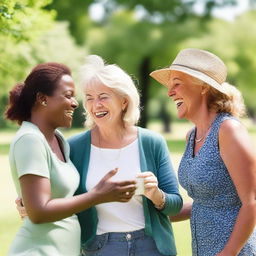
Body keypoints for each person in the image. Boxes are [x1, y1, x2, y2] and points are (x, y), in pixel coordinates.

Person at [5, 62, 137, 256]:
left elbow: (62, 199)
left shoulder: (60, 140)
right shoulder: (30, 140)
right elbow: (39, 211)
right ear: (42, 99)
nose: (76, 103)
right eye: (68, 95)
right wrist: (98, 195)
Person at [67, 55, 183, 256]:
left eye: (103, 96)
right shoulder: (75, 147)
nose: (96, 105)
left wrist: (156, 195)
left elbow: (175, 204)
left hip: (151, 246)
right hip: (101, 248)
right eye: (89, 98)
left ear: (123, 101)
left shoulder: (151, 142)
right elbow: (59, 196)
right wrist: (29, 203)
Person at [150, 48, 256, 256]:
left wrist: (229, 252)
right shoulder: (192, 135)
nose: (170, 92)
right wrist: (157, 205)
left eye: (177, 84)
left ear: (203, 86)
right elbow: (205, 204)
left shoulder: (227, 130)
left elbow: (251, 202)